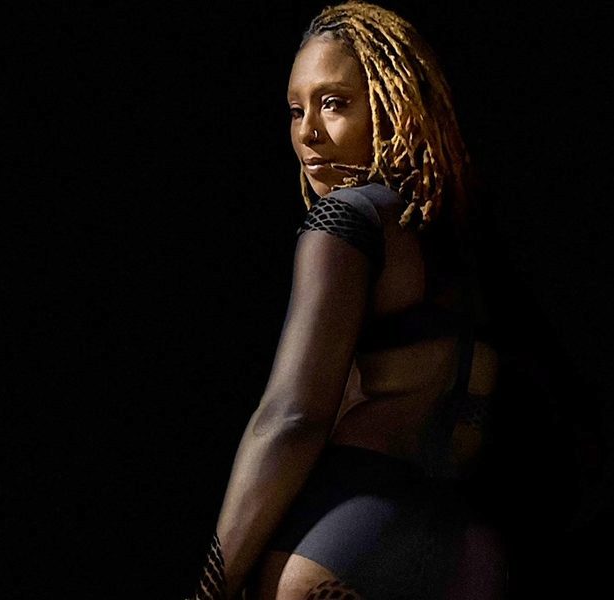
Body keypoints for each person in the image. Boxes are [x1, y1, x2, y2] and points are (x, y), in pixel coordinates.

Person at [192, 3, 506, 598]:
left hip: (347, 532)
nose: (307, 133)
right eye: (296, 110)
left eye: (333, 103)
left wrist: (211, 587)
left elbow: (292, 418)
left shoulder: (345, 219)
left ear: (393, 108)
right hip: (471, 549)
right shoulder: (465, 240)